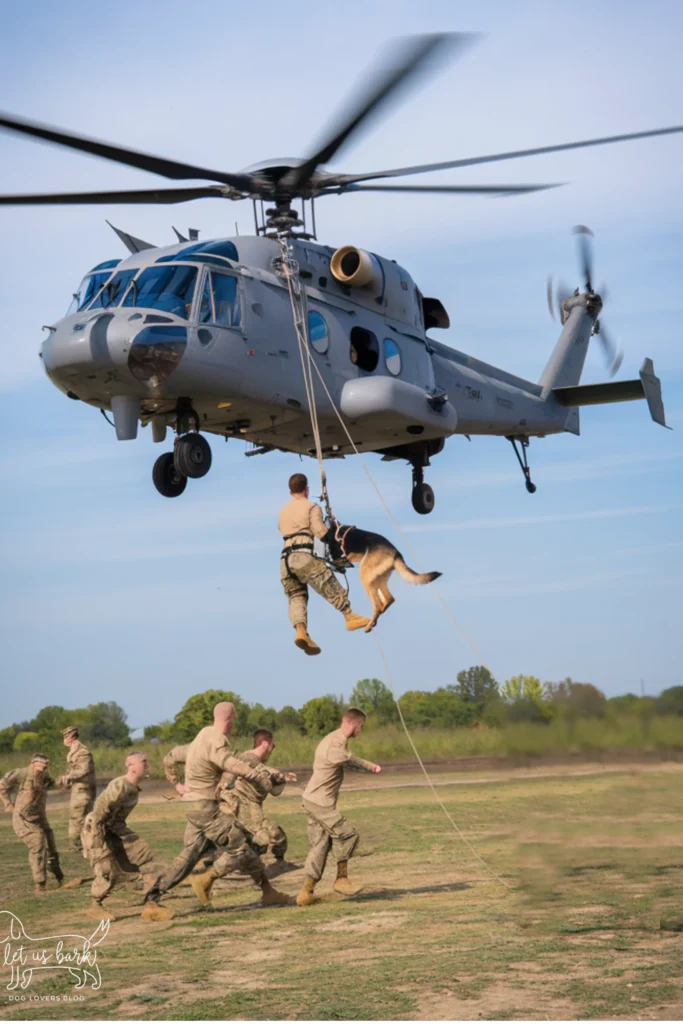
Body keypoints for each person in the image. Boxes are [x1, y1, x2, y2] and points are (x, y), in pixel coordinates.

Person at [157, 702, 290, 908]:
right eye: (234, 720)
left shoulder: (198, 741)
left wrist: (177, 784)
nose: (233, 725)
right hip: (205, 808)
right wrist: (259, 777)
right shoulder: (216, 739)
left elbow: (170, 757)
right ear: (229, 719)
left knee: (189, 856)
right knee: (242, 846)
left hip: (196, 807)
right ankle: (206, 880)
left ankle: (153, 897)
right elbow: (232, 764)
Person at [296, 707, 381, 907]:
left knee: (321, 846)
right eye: (362, 726)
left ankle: (305, 893)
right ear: (354, 723)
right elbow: (350, 759)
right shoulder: (335, 744)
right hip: (319, 804)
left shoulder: (334, 739)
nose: (361, 730)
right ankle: (341, 879)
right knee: (348, 834)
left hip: (312, 800)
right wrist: (371, 766)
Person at [279, 473, 368, 656]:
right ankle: (349, 615)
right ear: (307, 489)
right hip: (303, 555)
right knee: (327, 581)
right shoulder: (311, 507)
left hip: (285, 560)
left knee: (296, 596)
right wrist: (336, 541)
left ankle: (301, 631)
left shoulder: (283, 511)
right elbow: (320, 532)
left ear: (290, 491)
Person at [82, 751, 171, 922]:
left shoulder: (133, 787)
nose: (146, 765)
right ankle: (95, 905)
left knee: (145, 857)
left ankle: (151, 904)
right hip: (98, 828)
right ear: (131, 766)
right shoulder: (120, 785)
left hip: (117, 828)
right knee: (106, 868)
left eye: (147, 761)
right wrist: (99, 837)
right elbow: (100, 809)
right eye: (143, 762)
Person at [218, 728, 296, 871]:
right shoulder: (247, 758)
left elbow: (274, 791)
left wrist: (280, 779)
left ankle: (272, 864)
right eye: (272, 745)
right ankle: (234, 867)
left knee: (276, 834)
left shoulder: (257, 764)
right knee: (260, 839)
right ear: (264, 743)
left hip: (252, 809)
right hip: (241, 807)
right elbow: (234, 772)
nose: (272, 749)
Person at [0, 753, 64, 893]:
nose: (45, 768)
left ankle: (58, 877)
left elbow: (55, 784)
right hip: (24, 819)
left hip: (40, 817)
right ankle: (40, 883)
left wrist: (66, 780)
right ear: (34, 764)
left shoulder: (43, 776)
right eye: (43, 766)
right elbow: (2, 785)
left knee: (51, 844)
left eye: (46, 766)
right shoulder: (22, 773)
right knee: (38, 843)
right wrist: (8, 803)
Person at [57, 726, 96, 852]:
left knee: (78, 816)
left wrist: (68, 777)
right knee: (79, 816)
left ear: (71, 737)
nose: (64, 739)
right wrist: (66, 781)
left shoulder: (82, 751)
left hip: (83, 789)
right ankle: (81, 844)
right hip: (78, 788)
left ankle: (77, 845)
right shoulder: (74, 751)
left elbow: (83, 770)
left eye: (65, 736)